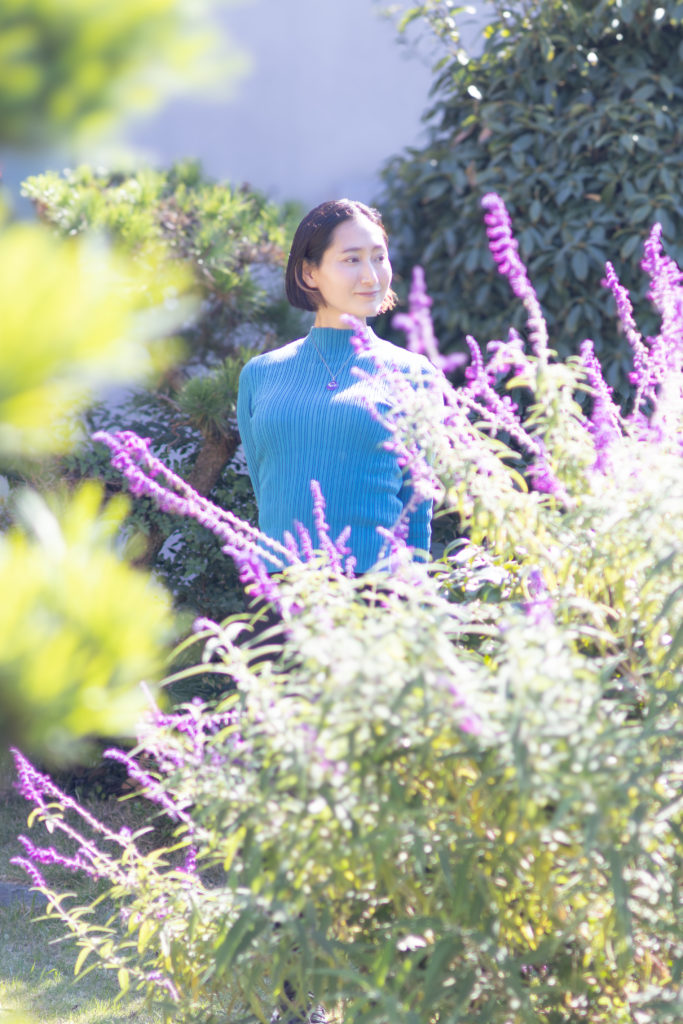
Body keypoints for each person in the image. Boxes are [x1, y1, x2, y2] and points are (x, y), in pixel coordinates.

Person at [236, 198, 434, 577]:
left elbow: (417, 510)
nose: (371, 277)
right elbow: (267, 492)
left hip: (377, 593)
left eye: (379, 258)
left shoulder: (414, 374)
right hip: (282, 591)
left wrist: (418, 604)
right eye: (352, 259)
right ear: (310, 273)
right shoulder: (259, 375)